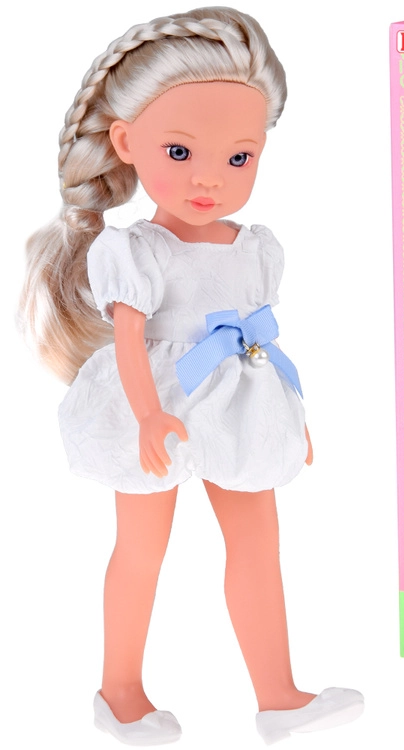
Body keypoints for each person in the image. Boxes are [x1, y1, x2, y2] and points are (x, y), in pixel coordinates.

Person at [20, 7, 363, 745]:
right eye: (179, 151)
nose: (209, 177)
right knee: (144, 549)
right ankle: (119, 691)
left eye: (240, 158)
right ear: (126, 142)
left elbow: (261, 340)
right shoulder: (136, 251)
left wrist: (292, 417)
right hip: (161, 401)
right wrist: (148, 415)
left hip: (240, 401)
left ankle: (279, 696)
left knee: (258, 547)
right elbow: (131, 338)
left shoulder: (254, 246)